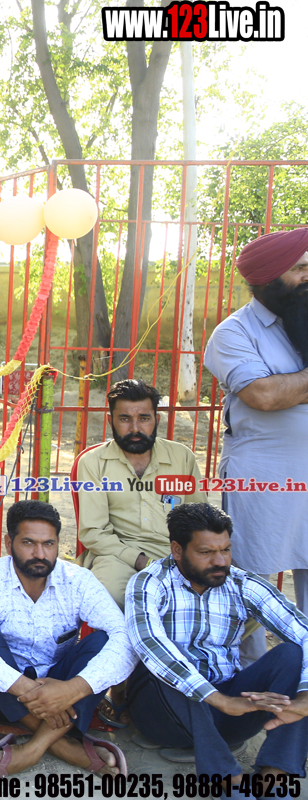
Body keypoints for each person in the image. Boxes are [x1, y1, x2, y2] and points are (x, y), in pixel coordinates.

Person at [0, 500, 135, 777]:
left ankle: (31, 750)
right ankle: (66, 746)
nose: (39, 553)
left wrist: (72, 690)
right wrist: (25, 688)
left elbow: (124, 638)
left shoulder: (78, 581)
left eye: (48, 544)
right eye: (28, 543)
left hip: (63, 689)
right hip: (4, 694)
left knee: (103, 641)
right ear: (9, 543)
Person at [125, 502, 308, 783]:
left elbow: (303, 632)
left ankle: (275, 774)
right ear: (177, 550)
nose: (221, 561)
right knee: (163, 663)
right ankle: (226, 780)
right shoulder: (149, 583)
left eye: (225, 550)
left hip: (234, 711)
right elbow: (149, 643)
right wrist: (218, 700)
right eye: (206, 552)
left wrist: (305, 697)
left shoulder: (241, 583)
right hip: (165, 716)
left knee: (291, 654)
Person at [204, 227, 308, 662]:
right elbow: (263, 395)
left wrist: (293, 386)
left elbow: (283, 390)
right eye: (300, 269)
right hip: (264, 475)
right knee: (251, 580)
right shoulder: (233, 333)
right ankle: (248, 673)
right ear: (267, 279)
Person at [78, 379, 207, 608]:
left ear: (157, 419)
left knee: (238, 597)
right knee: (110, 596)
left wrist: (191, 559)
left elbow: (200, 520)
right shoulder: (93, 463)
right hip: (118, 555)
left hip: (175, 554)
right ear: (110, 421)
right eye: (125, 419)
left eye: (144, 418)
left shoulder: (181, 457)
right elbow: (93, 532)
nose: (135, 428)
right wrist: (140, 560)